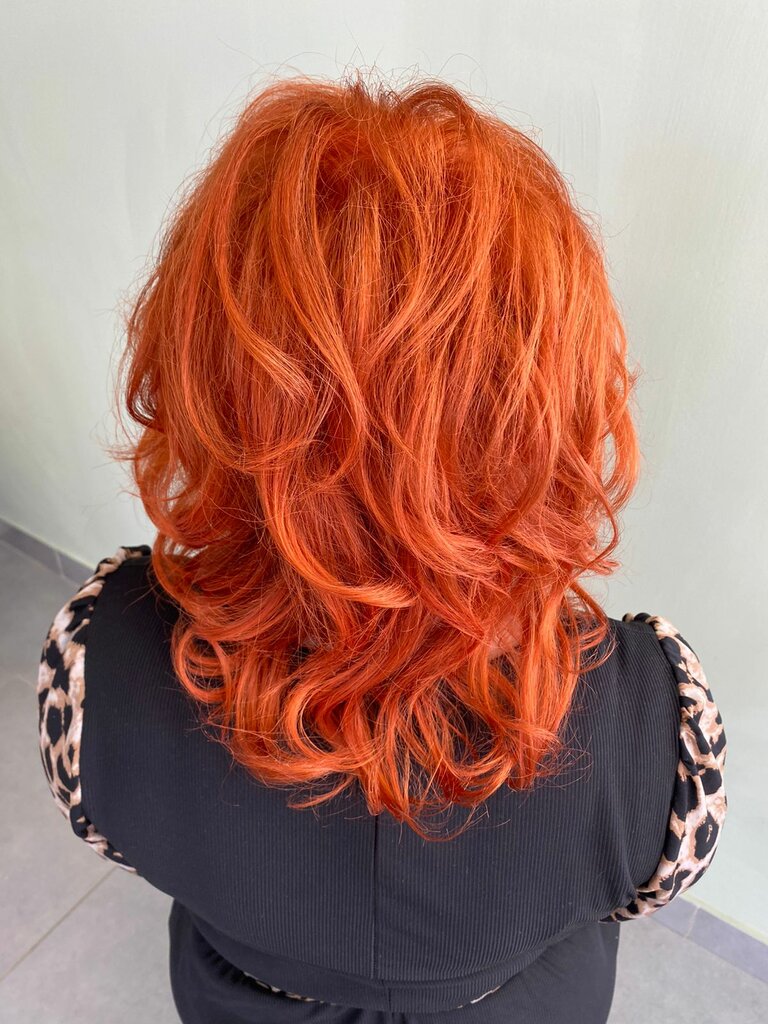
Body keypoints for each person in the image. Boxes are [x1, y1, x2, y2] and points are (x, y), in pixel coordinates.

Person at [36, 74, 727, 1024]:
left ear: (205, 382)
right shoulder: (664, 730)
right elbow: (649, 888)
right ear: (548, 407)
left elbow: (116, 836)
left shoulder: (92, 669)